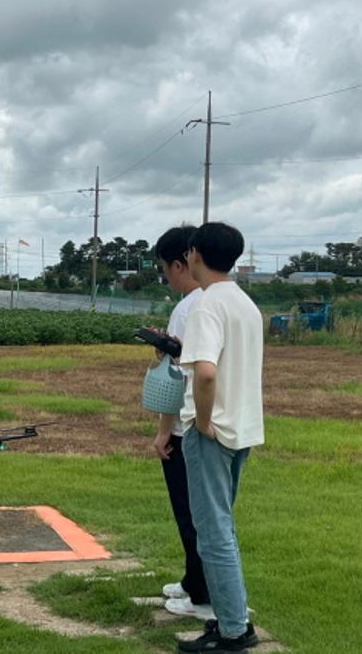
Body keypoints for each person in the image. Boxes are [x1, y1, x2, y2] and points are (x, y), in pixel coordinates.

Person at [176, 222, 264, 653]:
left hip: (214, 433)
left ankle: (233, 630)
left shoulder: (206, 305)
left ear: (194, 254)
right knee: (221, 528)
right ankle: (232, 617)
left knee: (213, 533)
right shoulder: (245, 303)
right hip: (242, 429)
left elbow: (206, 372)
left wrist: (204, 421)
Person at [152, 225, 210, 620]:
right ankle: (193, 581)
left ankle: (201, 593)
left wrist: (163, 430)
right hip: (209, 422)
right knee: (202, 512)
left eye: (165, 269)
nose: (167, 277)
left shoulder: (188, 308)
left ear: (180, 263)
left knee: (191, 513)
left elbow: (177, 376)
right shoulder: (221, 302)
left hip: (185, 426)